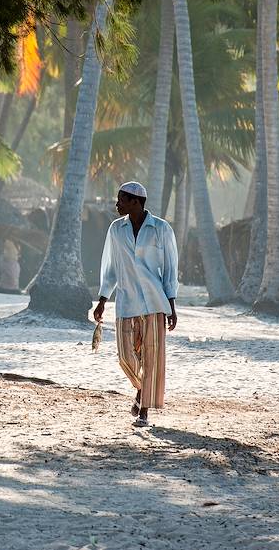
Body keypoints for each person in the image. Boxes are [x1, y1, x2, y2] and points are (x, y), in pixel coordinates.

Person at [94, 181, 178, 427]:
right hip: (126, 302)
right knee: (125, 357)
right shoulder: (115, 229)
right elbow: (109, 267)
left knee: (152, 358)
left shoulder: (161, 229)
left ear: (135, 202)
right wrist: (102, 300)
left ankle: (144, 411)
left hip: (155, 303)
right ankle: (142, 388)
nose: (116, 204)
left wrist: (171, 305)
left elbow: (171, 270)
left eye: (121, 199)